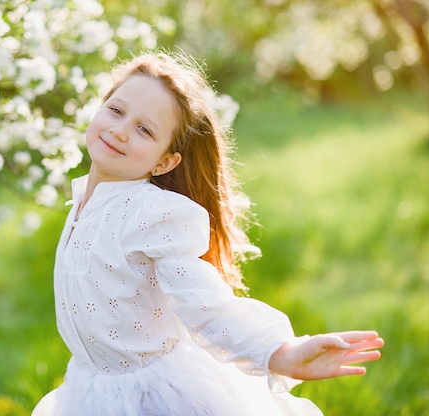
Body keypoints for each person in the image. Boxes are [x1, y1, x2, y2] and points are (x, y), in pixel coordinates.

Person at [32, 51, 383, 415]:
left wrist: (280, 353)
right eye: (117, 111)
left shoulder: (151, 214)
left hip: (152, 396)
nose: (120, 130)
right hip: (90, 389)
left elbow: (206, 305)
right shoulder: (85, 201)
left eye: (144, 129)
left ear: (164, 161)